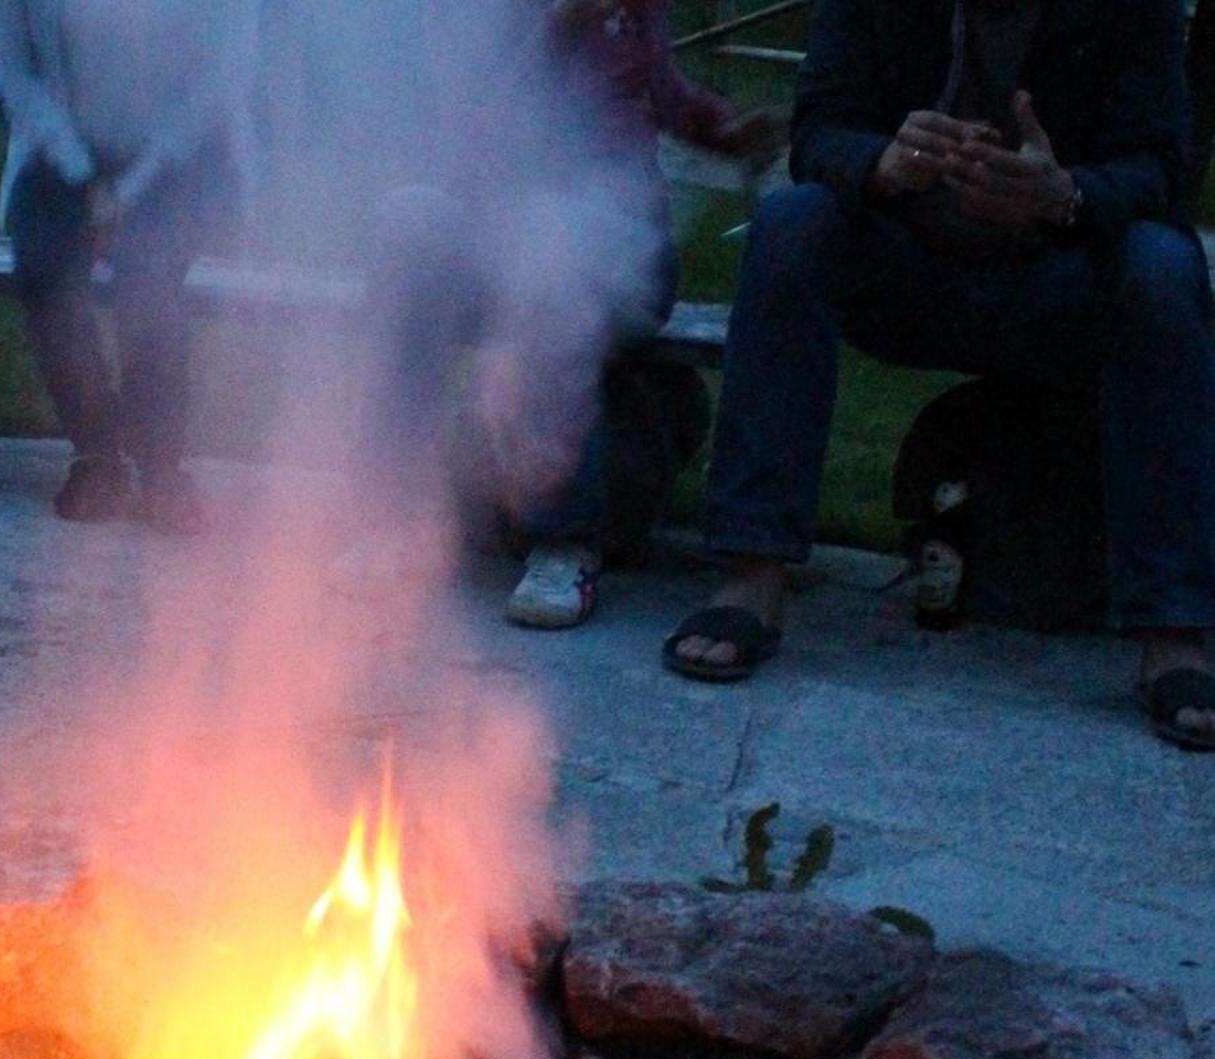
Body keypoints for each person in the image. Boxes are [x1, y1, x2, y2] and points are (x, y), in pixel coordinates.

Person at [664, 0, 1215, 753]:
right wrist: (882, 163)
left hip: (1059, 275)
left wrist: (1064, 193)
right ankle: (750, 573)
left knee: (1162, 265)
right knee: (793, 224)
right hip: (906, 268)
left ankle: (1174, 628)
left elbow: (1158, 168)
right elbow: (820, 130)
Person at [345, 0, 784, 629]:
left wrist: (722, 129)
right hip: (487, 224)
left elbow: (655, 90)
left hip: (617, 246)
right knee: (410, 222)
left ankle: (564, 539)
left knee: (557, 243)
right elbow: (464, 122)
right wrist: (556, 26)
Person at [0, 0, 254, 532]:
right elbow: (9, 67)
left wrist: (127, 194)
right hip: (58, 152)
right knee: (45, 273)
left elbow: (218, 80)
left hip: (177, 157)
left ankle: (162, 469)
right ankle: (98, 457)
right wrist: (83, 177)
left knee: (148, 282)